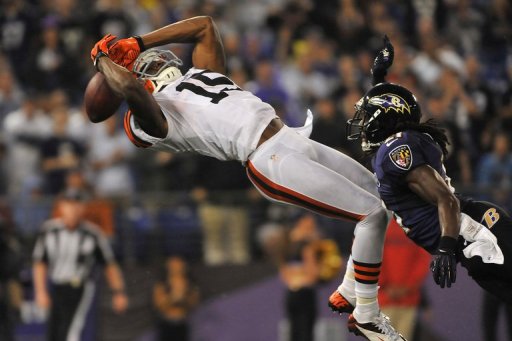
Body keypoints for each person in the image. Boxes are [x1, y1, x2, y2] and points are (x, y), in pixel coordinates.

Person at [89, 16, 404, 340]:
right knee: (371, 214)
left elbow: (205, 26)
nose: (152, 61)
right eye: (143, 64)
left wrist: (139, 42)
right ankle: (366, 314)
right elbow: (127, 87)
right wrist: (103, 59)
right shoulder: (151, 117)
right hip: (268, 158)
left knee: (383, 196)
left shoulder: (199, 74)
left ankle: (351, 288)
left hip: (290, 139)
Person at [345, 37, 512, 306]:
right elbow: (393, 106)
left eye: (370, 115)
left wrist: (445, 247)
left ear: (385, 118)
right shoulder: (401, 140)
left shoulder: (395, 149)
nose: (364, 123)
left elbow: (445, 198)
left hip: (476, 234)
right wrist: (377, 78)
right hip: (469, 240)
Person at [32, 189, 128, 341]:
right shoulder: (49, 231)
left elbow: (109, 264)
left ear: (83, 207)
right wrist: (40, 291)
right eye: (69, 204)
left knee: (73, 332)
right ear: (61, 206)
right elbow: (40, 263)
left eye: (77, 205)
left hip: (80, 287)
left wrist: (118, 291)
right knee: (54, 332)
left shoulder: (93, 234)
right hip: (56, 286)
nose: (73, 209)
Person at [152, 256, 200, 341]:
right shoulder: (162, 284)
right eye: (173, 266)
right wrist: (172, 298)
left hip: (182, 323)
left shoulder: (190, 284)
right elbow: (158, 305)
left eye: (178, 265)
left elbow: (194, 303)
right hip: (167, 324)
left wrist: (183, 298)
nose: (176, 269)